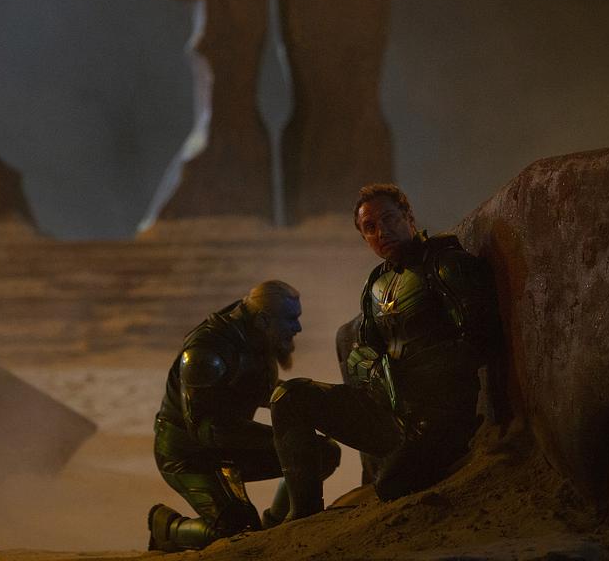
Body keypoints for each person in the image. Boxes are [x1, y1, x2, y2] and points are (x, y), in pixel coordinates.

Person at [270, 183, 499, 519]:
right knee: (289, 397)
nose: (382, 232)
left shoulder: (445, 266)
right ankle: (303, 515)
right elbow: (361, 351)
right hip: (388, 410)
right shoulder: (376, 284)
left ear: (408, 217)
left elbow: (482, 340)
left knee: (392, 483)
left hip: (439, 417)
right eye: (370, 227)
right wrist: (373, 368)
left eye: (389, 219)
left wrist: (413, 371)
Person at [147, 280, 340, 551]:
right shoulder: (206, 354)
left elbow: (258, 391)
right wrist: (285, 439)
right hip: (189, 455)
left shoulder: (255, 335)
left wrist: (317, 406)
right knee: (236, 529)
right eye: (290, 319)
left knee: (321, 453)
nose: (297, 328)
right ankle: (167, 528)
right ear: (263, 320)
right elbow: (208, 430)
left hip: (227, 445)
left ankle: (277, 528)